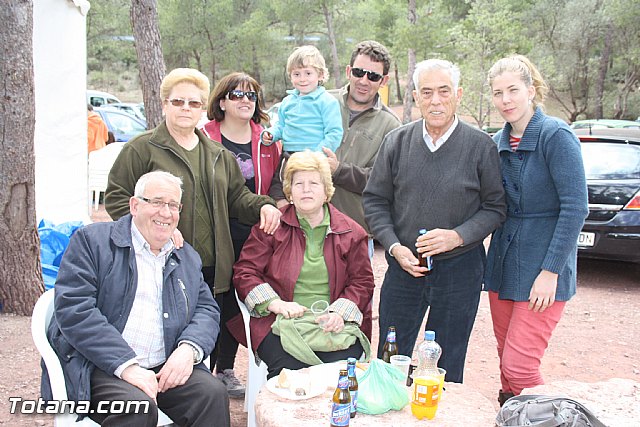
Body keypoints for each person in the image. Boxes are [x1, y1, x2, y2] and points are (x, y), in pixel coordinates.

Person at [105, 68, 282, 388]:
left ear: (203, 108)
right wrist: (151, 232)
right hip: (161, 261)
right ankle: (151, 388)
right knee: (164, 329)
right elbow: (117, 198)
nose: (186, 108)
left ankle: (195, 391)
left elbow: (237, 197)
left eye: (193, 103)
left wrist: (263, 205)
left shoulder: (217, 155)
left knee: (200, 332)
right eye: (178, 101)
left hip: (212, 266)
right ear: (164, 105)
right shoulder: (142, 149)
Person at [41, 171, 230, 426]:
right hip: (99, 366)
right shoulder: (92, 242)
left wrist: (188, 348)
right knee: (136, 407)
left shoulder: (185, 255)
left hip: (162, 366)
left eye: (173, 205)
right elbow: (75, 309)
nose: (166, 212)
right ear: (134, 205)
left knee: (212, 394)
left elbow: (206, 308)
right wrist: (126, 366)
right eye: (157, 202)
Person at [363, 59, 507, 383]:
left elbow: (496, 207)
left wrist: (457, 236)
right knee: (389, 358)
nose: (436, 100)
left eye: (443, 91)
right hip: (404, 268)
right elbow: (374, 201)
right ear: (415, 97)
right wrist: (395, 246)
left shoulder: (481, 146)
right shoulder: (396, 143)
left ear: (458, 94)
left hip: (460, 271)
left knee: (447, 363)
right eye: (426, 92)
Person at [484, 55, 588, 405]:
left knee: (520, 365)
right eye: (498, 93)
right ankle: (512, 415)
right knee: (505, 361)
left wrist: (550, 271)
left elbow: (576, 207)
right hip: (502, 263)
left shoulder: (555, 135)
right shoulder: (497, 142)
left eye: (513, 90)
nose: (506, 100)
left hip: (543, 267)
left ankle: (547, 414)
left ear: (531, 90)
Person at [231, 151, 374, 379]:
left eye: (313, 183)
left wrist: (340, 312)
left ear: (327, 191)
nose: (306, 189)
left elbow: (362, 282)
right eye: (299, 183)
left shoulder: (352, 232)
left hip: (331, 322)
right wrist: (274, 303)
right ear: (289, 191)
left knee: (341, 374)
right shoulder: (271, 226)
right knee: (289, 371)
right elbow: (245, 271)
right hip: (279, 322)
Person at [200, 72, 282, 397]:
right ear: (221, 101)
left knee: (240, 299)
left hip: (255, 233)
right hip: (214, 231)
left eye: (251, 95)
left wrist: (275, 206)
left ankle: (226, 369)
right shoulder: (203, 136)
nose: (245, 100)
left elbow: (276, 179)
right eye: (236, 94)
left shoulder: (268, 139)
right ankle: (199, 370)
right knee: (210, 299)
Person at [322, 40, 401, 254]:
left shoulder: (391, 126)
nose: (364, 80)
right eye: (358, 72)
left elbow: (384, 182)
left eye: (373, 76)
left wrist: (338, 170)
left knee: (355, 288)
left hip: (355, 234)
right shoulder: (321, 102)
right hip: (307, 226)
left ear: (383, 81)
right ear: (349, 71)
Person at [262, 45, 343, 154]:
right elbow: (281, 126)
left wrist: (319, 155)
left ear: (320, 75)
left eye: (308, 73)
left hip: (314, 157)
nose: (302, 79)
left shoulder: (327, 102)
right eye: (296, 74)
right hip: (289, 156)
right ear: (290, 77)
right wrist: (271, 134)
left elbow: (334, 133)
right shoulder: (287, 102)